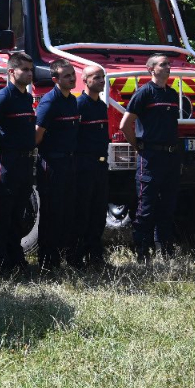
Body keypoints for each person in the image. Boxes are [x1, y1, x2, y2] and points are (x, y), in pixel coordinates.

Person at [120, 53, 182, 261]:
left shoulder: (172, 94)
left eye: (168, 64)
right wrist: (137, 146)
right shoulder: (144, 93)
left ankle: (165, 250)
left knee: (168, 206)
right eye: (163, 65)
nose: (167, 67)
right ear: (151, 69)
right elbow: (124, 124)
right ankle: (142, 252)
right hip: (151, 157)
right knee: (146, 207)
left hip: (170, 158)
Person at [0, 51, 36, 275]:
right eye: (24, 70)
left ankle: (16, 257)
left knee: (19, 213)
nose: (29, 73)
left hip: (25, 163)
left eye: (30, 70)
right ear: (11, 71)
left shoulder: (26, 97)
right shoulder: (4, 97)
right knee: (3, 214)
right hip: (7, 162)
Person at [34, 59, 80, 270]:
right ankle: (47, 261)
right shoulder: (49, 102)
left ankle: (64, 256)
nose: (72, 78)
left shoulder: (72, 100)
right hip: (51, 163)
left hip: (69, 162)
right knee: (51, 213)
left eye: (73, 74)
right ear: (55, 79)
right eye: (67, 76)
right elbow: (37, 136)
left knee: (67, 211)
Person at [71, 65, 110, 267]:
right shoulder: (79, 105)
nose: (102, 80)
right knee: (82, 212)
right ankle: (77, 256)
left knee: (99, 211)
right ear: (85, 80)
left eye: (103, 77)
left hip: (101, 165)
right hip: (84, 165)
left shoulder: (102, 106)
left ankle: (95, 255)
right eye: (97, 77)